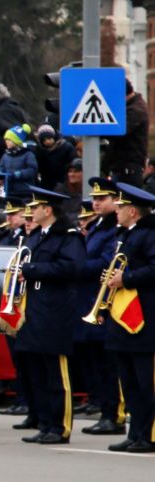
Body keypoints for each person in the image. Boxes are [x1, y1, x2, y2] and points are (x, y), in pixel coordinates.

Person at [13, 186, 87, 444]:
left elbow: (72, 267)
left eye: (35, 207)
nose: (31, 212)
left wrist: (33, 269)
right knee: (39, 372)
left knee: (56, 373)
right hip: (34, 309)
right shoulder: (38, 236)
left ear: (48, 210)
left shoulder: (68, 236)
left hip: (55, 310)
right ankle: (45, 423)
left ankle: (60, 426)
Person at [105, 183, 155, 452]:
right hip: (124, 319)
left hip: (145, 318)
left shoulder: (149, 234)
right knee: (129, 381)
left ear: (133, 211)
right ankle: (135, 432)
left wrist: (127, 278)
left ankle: (149, 434)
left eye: (121, 207)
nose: (117, 210)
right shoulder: (125, 235)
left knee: (146, 381)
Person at [77, 177, 124, 436]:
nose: (96, 203)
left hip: (105, 302)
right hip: (89, 301)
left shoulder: (113, 230)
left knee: (109, 364)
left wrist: (77, 268)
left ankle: (113, 414)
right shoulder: (97, 228)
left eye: (101, 199)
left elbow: (107, 262)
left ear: (115, 201)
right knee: (97, 362)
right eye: (94, 199)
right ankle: (103, 409)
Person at [105, 82, 150, 186]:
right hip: (123, 168)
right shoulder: (131, 107)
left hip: (128, 169)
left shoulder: (136, 110)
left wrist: (96, 129)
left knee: (124, 201)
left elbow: (119, 131)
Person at [0, 127, 39, 195]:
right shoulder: (5, 155)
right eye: (6, 139)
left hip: (25, 191)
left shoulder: (28, 154)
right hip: (9, 190)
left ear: (17, 141)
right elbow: (1, 167)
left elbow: (32, 170)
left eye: (9, 140)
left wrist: (19, 174)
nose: (6, 142)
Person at [34, 125, 76, 191]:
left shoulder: (66, 148)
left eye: (49, 138)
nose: (47, 142)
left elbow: (73, 163)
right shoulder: (40, 151)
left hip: (64, 183)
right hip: (47, 185)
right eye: (44, 140)